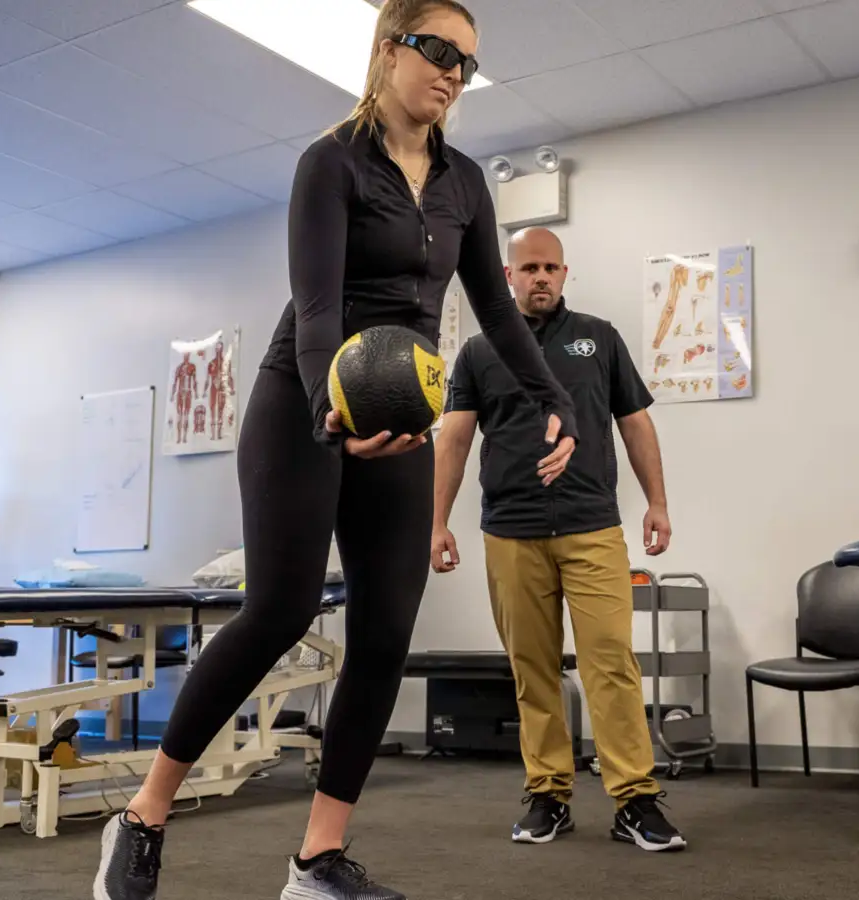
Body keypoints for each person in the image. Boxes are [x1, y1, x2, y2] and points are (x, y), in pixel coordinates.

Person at [92, 3, 579, 899]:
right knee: (279, 609)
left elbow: (497, 311)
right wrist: (332, 409)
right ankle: (144, 814)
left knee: (386, 631)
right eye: (438, 52)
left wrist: (552, 398)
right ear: (390, 48)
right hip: (303, 400)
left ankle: (316, 860)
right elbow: (316, 310)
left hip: (401, 407)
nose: (452, 75)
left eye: (467, 63)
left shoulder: (466, 183)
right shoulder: (332, 162)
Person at [430, 226, 685, 852]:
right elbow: (456, 438)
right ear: (509, 276)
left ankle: (635, 800)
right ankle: (548, 794)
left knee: (611, 665)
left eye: (551, 267)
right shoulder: (478, 351)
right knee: (533, 671)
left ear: (564, 275)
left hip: (592, 525)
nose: (541, 277)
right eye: (529, 268)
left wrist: (657, 502)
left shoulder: (599, 338)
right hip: (510, 533)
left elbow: (635, 421)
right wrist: (435, 522)